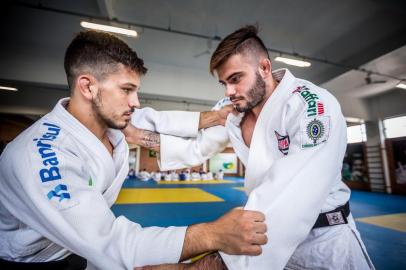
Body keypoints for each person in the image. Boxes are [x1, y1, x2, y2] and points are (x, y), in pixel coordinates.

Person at [0, 30, 268, 269]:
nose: (136, 102)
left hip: (77, 246)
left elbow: (157, 120)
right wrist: (213, 234)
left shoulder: (109, 121)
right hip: (30, 260)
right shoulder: (43, 156)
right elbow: (111, 242)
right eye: (126, 89)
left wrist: (216, 117)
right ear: (88, 86)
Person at [128, 25, 374, 269]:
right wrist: (135, 133)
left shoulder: (311, 106)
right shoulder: (233, 111)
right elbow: (196, 147)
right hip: (264, 238)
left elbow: (288, 200)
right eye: (224, 83)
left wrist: (197, 268)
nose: (229, 91)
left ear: (264, 68)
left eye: (235, 79)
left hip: (324, 244)